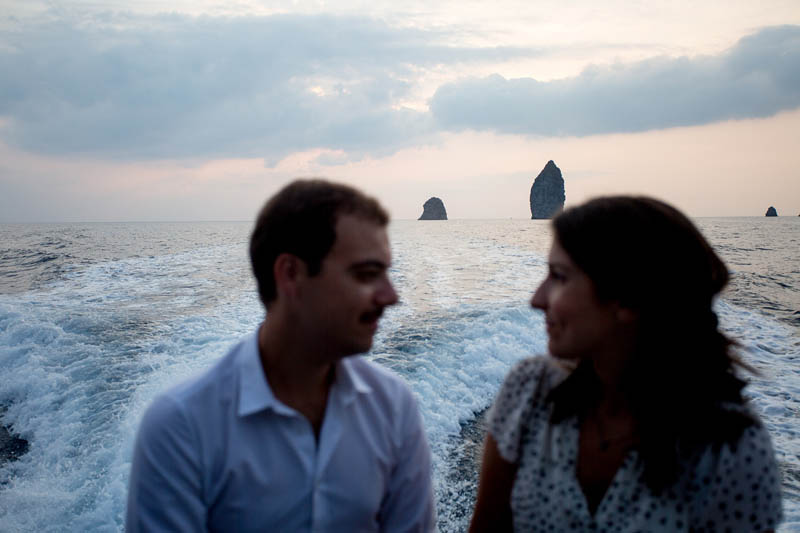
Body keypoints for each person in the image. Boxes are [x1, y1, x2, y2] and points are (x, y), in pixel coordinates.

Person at [127, 179, 436, 532]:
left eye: (386, 273)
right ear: (290, 274)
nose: (391, 296)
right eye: (366, 274)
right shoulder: (181, 428)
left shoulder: (394, 407)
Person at [470, 196, 783, 532]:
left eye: (559, 277)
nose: (536, 299)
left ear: (625, 299)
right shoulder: (529, 391)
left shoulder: (732, 451)